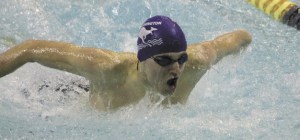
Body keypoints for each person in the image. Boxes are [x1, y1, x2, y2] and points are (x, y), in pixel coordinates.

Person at [0, 15, 252, 111]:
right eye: (164, 60)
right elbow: (31, 48)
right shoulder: (106, 68)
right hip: (68, 94)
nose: (176, 68)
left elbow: (239, 38)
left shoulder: (196, 63)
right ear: (142, 58)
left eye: (180, 59)